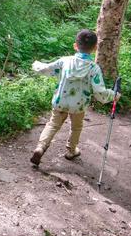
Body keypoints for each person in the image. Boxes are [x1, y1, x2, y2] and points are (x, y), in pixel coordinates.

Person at [30, 29, 120, 166]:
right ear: (95, 48)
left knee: (53, 124)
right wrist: (114, 95)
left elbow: (47, 69)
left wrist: (36, 65)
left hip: (60, 101)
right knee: (76, 127)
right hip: (79, 105)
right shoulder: (93, 68)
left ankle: (40, 147)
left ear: (75, 46)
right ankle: (71, 150)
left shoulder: (65, 61)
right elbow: (99, 91)